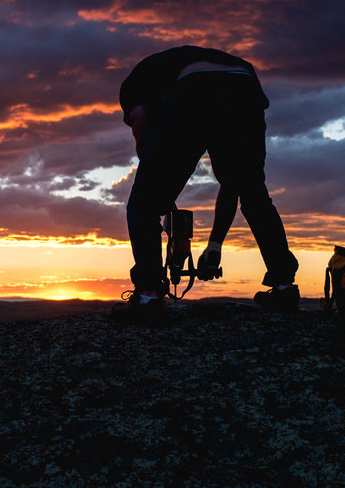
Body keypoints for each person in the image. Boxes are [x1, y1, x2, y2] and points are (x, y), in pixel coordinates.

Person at [114, 45, 299, 318]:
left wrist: (156, 186)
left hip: (195, 87)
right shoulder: (175, 64)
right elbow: (232, 183)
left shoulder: (132, 87)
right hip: (246, 87)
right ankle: (285, 289)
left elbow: (141, 125)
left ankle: (148, 296)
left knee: (143, 204)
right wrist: (215, 245)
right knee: (253, 194)